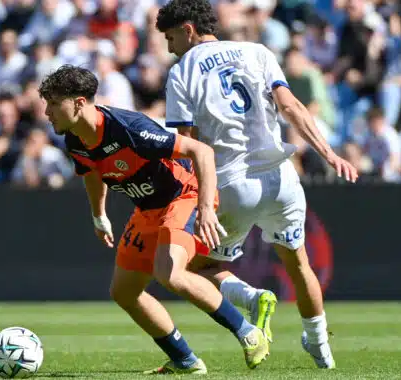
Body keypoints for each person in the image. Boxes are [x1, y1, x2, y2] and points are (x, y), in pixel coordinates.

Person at [156, 0, 359, 369]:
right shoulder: (257, 52)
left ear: (187, 29)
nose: (170, 47)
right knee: (300, 267)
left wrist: (193, 198)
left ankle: (251, 300)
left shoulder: (181, 71)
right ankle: (321, 349)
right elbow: (293, 107)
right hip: (282, 179)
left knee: (195, 270)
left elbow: (186, 143)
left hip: (231, 184)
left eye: (171, 37)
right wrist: (329, 154)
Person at [38, 65, 270, 374]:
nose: (46, 112)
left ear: (79, 103)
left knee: (169, 273)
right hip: (147, 209)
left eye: (54, 103)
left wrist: (206, 208)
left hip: (182, 195)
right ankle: (185, 361)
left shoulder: (128, 129)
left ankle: (249, 333)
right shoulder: (75, 140)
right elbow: (91, 173)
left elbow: (201, 152)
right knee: (123, 292)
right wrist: (99, 215)